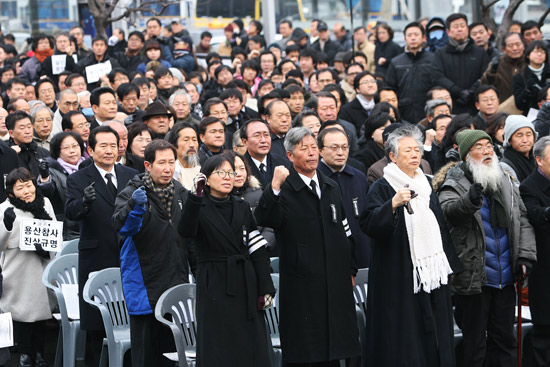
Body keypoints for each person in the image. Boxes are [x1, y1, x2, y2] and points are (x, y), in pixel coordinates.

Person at [254, 127, 361, 366]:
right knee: (306, 349)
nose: (311, 153)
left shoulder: (330, 186)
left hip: (334, 278)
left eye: (314, 148)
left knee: (335, 347)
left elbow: (345, 230)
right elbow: (265, 218)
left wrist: (350, 268)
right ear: (290, 156)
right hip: (302, 280)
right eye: (304, 149)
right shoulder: (285, 189)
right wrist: (274, 187)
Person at [360, 125, 461, 366]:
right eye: (408, 151)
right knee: (405, 338)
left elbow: (440, 228)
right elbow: (369, 224)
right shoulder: (383, 186)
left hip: (431, 276)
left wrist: (450, 266)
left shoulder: (426, 183)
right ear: (392, 156)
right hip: (399, 276)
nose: (415, 154)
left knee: (436, 334)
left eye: (417, 149)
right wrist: (392, 205)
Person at [437, 129, 536, 367]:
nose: (486, 151)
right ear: (466, 155)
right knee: (474, 345)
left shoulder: (506, 178)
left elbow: (522, 218)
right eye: (478, 148)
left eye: (489, 146)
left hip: (505, 276)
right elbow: (449, 212)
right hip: (473, 280)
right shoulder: (453, 182)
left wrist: (524, 255)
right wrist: (469, 200)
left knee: (505, 340)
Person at [178, 154, 275, 367]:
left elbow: (256, 247)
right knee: (218, 343)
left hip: (244, 282)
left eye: (230, 173)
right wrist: (196, 196)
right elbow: (186, 230)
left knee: (250, 343)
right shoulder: (197, 205)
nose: (227, 177)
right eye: (220, 173)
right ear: (207, 178)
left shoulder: (241, 206)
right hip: (213, 280)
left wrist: (265, 287)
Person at [113, 140, 193, 367]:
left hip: (175, 280)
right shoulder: (131, 192)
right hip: (144, 283)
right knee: (146, 354)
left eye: (171, 162)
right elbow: (122, 227)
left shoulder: (180, 191)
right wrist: (134, 207)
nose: (168, 168)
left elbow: (190, 235)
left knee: (173, 352)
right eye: (161, 163)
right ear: (148, 165)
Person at [65, 126, 137, 359]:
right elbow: (70, 213)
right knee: (98, 321)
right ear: (90, 149)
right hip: (97, 255)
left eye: (113, 146)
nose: (109, 151)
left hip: (128, 254)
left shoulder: (130, 174)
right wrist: (84, 203)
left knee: (129, 318)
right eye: (103, 146)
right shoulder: (78, 178)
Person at [0, 168, 56, 367]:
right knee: (22, 314)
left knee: (41, 314)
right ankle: (24, 353)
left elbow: (54, 234)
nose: (26, 191)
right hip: (17, 268)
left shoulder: (45, 203)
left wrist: (46, 250)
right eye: (20, 187)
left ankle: (39, 352)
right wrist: (6, 225)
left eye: (29, 185)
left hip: (41, 265)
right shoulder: (5, 208)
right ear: (10, 192)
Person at [317, 127, 371, 268]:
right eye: (334, 148)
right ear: (320, 150)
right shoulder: (315, 178)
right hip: (330, 256)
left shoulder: (358, 176)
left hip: (362, 252)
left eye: (344, 147)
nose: (340, 152)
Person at [519, 136, 550, 367]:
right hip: (544, 269)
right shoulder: (528, 186)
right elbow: (536, 216)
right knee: (544, 330)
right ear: (539, 160)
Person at [432, 13, 490, 114]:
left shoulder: (480, 53)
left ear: (467, 29)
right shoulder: (441, 53)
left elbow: (486, 75)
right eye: (456, 27)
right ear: (448, 32)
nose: (460, 29)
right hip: (451, 104)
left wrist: (471, 91)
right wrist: (458, 92)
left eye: (462, 26)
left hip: (475, 104)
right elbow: (438, 77)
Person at [386, 21, 435, 124]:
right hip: (404, 112)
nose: (413, 38)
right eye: (409, 35)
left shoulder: (433, 59)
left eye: (416, 35)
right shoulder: (396, 62)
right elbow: (390, 87)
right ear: (405, 39)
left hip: (429, 110)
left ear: (423, 37)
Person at [45, 131, 84, 239]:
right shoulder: (51, 171)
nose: (72, 151)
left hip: (91, 225)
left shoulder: (90, 166)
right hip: (67, 229)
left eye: (75, 146)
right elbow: (48, 192)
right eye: (66, 148)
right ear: (57, 151)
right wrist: (44, 179)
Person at [240, 118, 290, 191]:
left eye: (266, 135)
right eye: (257, 135)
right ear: (244, 142)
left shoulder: (284, 164)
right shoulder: (240, 167)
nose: (263, 140)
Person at [481, 32, 525, 102]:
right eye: (510, 45)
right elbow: (485, 85)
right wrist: (492, 71)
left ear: (524, 45)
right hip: (503, 107)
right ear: (504, 49)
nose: (515, 48)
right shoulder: (498, 63)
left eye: (518, 44)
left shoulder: (530, 62)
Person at [7, 111, 50, 180]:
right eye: (22, 128)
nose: (27, 131)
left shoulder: (44, 153)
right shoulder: (6, 154)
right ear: (11, 133)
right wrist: (10, 155)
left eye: (29, 127)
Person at [513, 40, 550, 114]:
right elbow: (519, 105)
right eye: (536, 51)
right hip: (531, 114)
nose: (539, 54)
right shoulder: (520, 77)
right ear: (528, 55)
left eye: (542, 52)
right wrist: (527, 91)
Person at [500, 115, 538, 183]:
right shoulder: (506, 166)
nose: (525, 140)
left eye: (528, 134)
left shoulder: (538, 159)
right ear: (509, 140)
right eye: (519, 135)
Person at [168, 122, 201, 190]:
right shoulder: (170, 171)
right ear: (174, 146)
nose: (192, 145)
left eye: (194, 140)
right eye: (186, 140)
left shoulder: (202, 170)